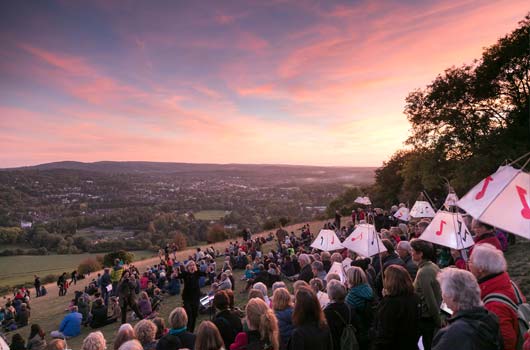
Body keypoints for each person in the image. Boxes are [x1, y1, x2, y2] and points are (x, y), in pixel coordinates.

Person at [469, 243, 524, 350]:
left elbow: (507, 343)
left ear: (481, 268)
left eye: (470, 261)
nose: (468, 265)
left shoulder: (494, 306)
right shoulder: (507, 282)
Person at [432, 267, 503, 350]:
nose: (442, 297)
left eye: (443, 292)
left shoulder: (454, 334)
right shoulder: (490, 316)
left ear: (452, 297)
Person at [372, 265, 420, 350]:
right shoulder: (414, 297)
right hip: (410, 344)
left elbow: (384, 332)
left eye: (386, 277)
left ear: (391, 281)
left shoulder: (390, 303)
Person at [411, 239, 442, 350]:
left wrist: (438, 321)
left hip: (426, 319)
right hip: (429, 318)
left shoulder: (424, 271)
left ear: (421, 254)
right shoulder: (431, 266)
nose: (411, 253)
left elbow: (430, 299)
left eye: (413, 251)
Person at [324, 280, 363, 350]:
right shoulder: (349, 307)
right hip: (351, 344)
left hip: (336, 345)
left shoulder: (327, 312)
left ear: (330, 295)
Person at [180, 260, 207, 332]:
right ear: (187, 267)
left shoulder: (197, 273)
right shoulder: (185, 274)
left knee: (194, 314)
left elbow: (205, 273)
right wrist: (175, 274)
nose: (192, 266)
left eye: (193, 265)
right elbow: (178, 276)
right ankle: (187, 329)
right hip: (187, 298)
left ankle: (191, 331)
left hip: (195, 297)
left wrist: (208, 270)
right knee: (189, 313)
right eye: (190, 265)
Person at [345, 266, 374, 331]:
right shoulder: (368, 288)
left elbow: (348, 314)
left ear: (350, 278)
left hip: (359, 329)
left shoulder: (351, 296)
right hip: (370, 324)